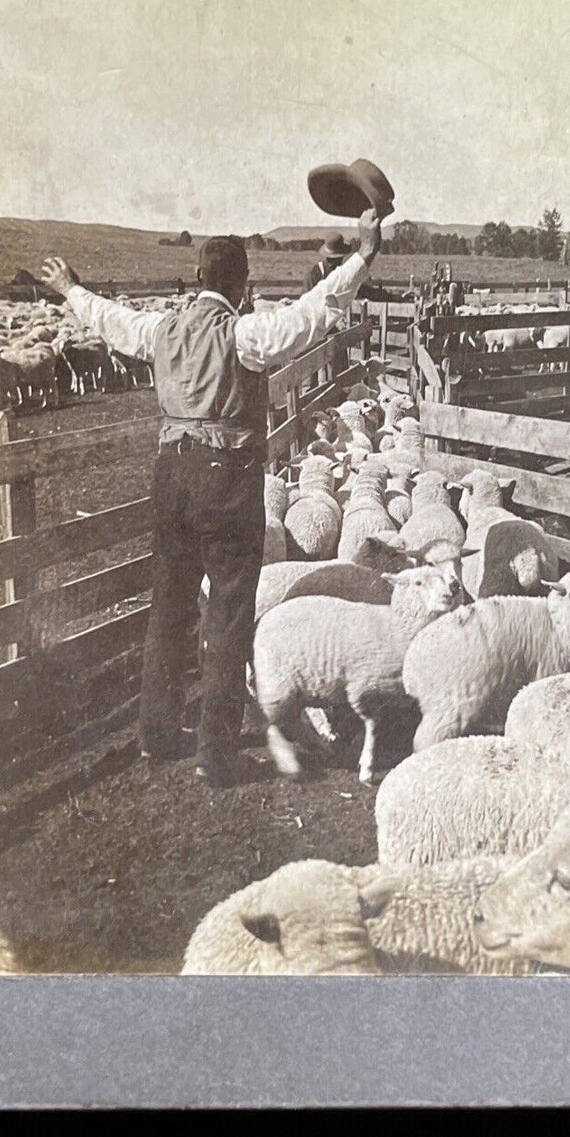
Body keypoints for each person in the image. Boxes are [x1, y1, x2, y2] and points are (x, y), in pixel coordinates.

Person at [34, 206, 384, 787]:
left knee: (169, 604)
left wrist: (70, 287)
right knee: (226, 610)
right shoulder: (243, 333)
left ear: (199, 279)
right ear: (241, 284)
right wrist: (363, 256)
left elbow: (110, 319)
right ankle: (214, 753)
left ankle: (156, 733)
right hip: (226, 478)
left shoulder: (162, 329)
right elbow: (313, 312)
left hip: (171, 476)